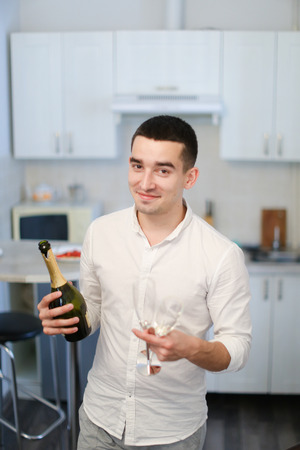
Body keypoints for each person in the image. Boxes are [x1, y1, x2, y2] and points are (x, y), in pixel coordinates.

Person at [38, 115, 252, 450]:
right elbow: (93, 311)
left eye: (163, 170)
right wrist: (68, 318)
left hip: (171, 432)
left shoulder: (221, 255)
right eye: (137, 166)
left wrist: (192, 348)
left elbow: (237, 347)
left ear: (190, 177)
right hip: (99, 418)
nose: (145, 182)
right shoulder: (101, 233)